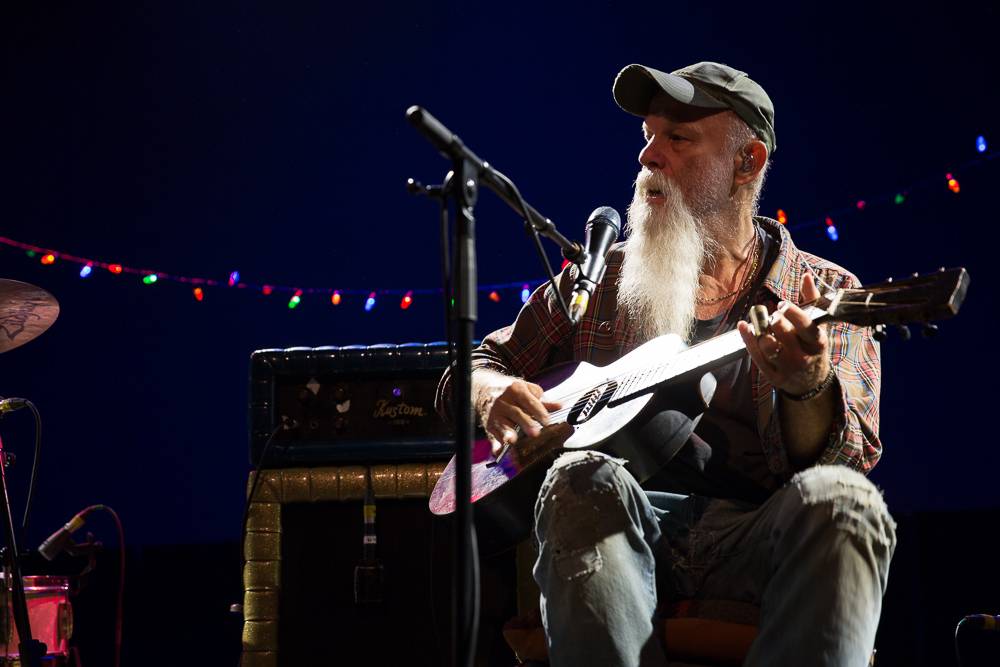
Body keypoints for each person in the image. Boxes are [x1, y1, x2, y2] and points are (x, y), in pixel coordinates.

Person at [435, 61, 896, 666]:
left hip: (755, 537)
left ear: (747, 162)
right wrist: (490, 393)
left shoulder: (823, 289)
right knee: (579, 478)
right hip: (620, 528)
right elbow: (471, 364)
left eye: (678, 138)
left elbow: (847, 458)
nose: (650, 157)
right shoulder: (600, 281)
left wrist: (806, 387)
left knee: (846, 500)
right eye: (648, 137)